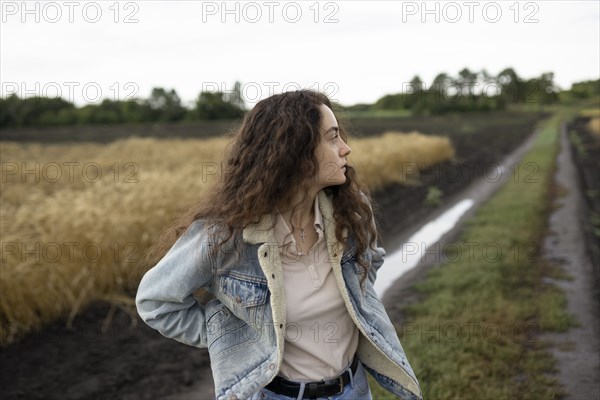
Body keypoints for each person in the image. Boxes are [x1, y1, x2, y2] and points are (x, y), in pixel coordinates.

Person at [135, 90, 422, 400]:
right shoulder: (226, 235)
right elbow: (156, 302)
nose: (345, 149)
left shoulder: (349, 213)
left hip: (353, 390)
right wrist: (234, 336)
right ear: (295, 151)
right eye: (332, 137)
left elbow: (371, 260)